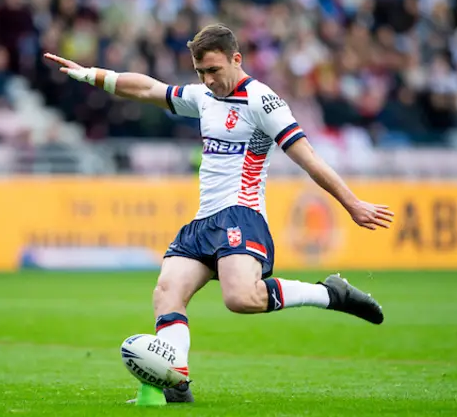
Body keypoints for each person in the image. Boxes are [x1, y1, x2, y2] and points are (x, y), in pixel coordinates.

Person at [44, 24, 394, 404]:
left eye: (213, 70)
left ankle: (330, 294)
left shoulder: (263, 102)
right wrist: (91, 75)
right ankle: (176, 384)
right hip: (203, 221)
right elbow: (148, 88)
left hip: (240, 215)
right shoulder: (203, 97)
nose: (208, 81)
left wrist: (352, 203)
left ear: (235, 59)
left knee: (242, 298)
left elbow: (308, 158)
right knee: (166, 292)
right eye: (200, 73)